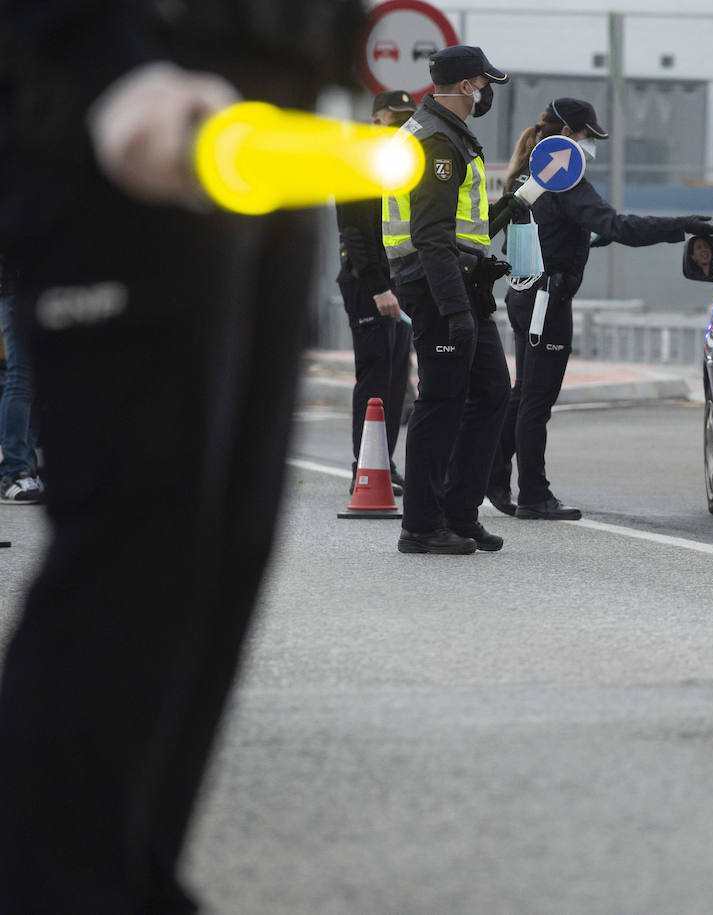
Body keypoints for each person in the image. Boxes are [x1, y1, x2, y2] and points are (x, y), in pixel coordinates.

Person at [0, 1, 366, 910]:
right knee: (138, 542)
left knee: (223, 546)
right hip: (135, 98)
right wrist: (108, 63)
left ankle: (131, 877)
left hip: (272, 110)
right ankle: (55, 888)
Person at [488, 98, 713, 521]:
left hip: (523, 296)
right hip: (547, 302)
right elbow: (619, 225)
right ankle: (534, 495)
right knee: (537, 400)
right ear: (567, 134)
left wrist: (580, 237)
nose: (590, 145)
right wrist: (681, 225)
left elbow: (533, 236)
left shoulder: (528, 176)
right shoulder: (564, 180)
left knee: (524, 394)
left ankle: (495, 475)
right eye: (587, 136)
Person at [384, 45, 526, 555]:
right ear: (467, 86)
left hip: (461, 282)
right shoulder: (437, 141)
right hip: (437, 285)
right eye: (485, 84)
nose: (487, 94)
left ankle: (460, 513)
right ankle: (421, 525)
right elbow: (431, 234)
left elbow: (462, 226)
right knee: (442, 399)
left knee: (491, 391)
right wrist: (453, 309)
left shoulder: (448, 134)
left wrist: (506, 208)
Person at [336, 90, 417, 494]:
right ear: (376, 120)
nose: (401, 125)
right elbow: (354, 233)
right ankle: (364, 468)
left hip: (398, 281)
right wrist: (378, 287)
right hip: (369, 284)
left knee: (396, 377)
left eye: (407, 118)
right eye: (394, 118)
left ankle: (383, 462)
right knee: (375, 374)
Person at [0, 254, 43, 504]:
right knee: (21, 377)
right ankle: (14, 472)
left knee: (34, 381)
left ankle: (26, 470)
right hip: (17, 287)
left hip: (39, 288)